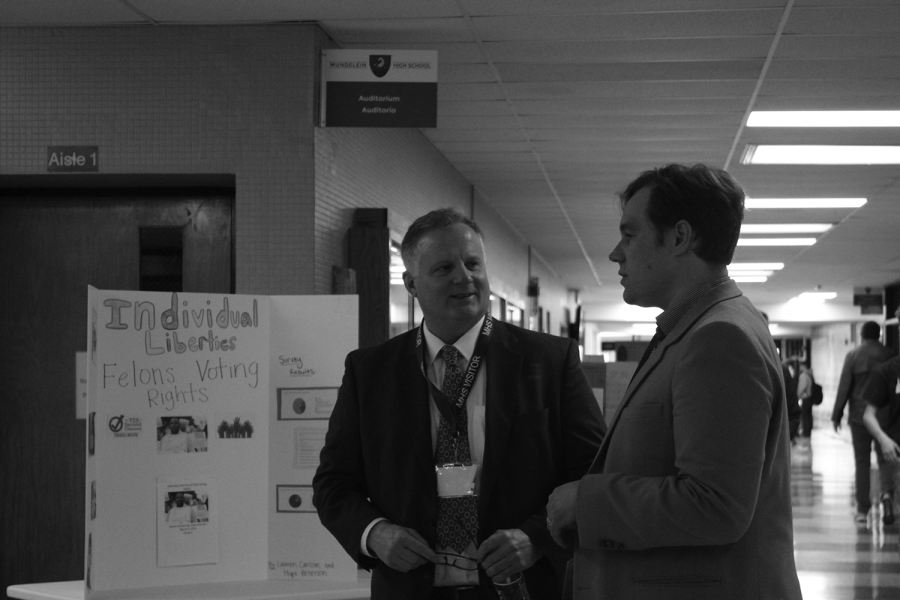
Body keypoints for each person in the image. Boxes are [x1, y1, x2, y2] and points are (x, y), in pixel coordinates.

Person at [312, 208, 606, 599]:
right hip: (411, 588)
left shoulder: (550, 361)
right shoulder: (370, 372)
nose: (463, 277)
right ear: (410, 283)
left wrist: (536, 537)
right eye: (444, 267)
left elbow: (594, 470)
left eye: (472, 264)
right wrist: (375, 533)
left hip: (521, 586)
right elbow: (334, 484)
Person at [546, 164, 802, 599]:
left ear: (680, 237)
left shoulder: (720, 338)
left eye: (630, 234)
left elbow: (715, 505)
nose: (615, 253)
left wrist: (583, 502)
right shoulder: (700, 328)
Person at [832, 321, 896, 523]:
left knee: (862, 463)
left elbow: (844, 386)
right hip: (884, 416)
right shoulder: (890, 354)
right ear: (880, 335)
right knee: (886, 459)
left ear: (862, 335)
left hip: (860, 417)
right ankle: (887, 496)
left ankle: (862, 509)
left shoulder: (853, 355)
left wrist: (837, 414)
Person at [797, 362, 815, 438]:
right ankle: (808, 432)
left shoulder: (803, 376)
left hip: (805, 398)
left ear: (803, 366)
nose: (800, 368)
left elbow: (801, 387)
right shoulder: (810, 375)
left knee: (805, 416)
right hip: (810, 397)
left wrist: (797, 396)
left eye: (801, 366)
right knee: (808, 416)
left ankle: (806, 432)